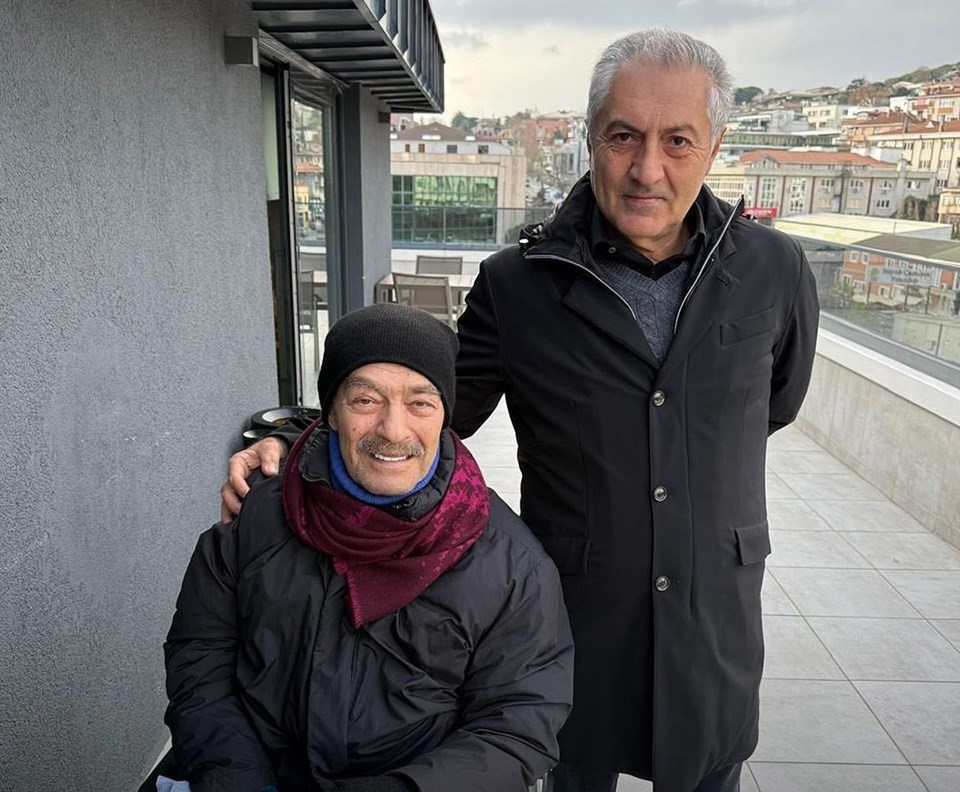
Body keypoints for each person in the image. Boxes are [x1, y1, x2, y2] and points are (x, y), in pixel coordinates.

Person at [225, 29, 819, 792]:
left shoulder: (774, 269)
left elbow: (778, 400)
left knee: (711, 766)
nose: (647, 168)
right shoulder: (518, 283)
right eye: (622, 137)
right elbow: (437, 412)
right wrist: (291, 441)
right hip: (574, 612)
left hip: (716, 610)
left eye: (677, 141)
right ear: (590, 138)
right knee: (568, 764)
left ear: (715, 145)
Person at [168, 303, 574, 792]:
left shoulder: (511, 565)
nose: (393, 430)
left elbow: (517, 727)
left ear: (445, 414)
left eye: (420, 403)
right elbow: (202, 657)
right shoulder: (255, 520)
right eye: (365, 400)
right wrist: (236, 779)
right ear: (331, 412)